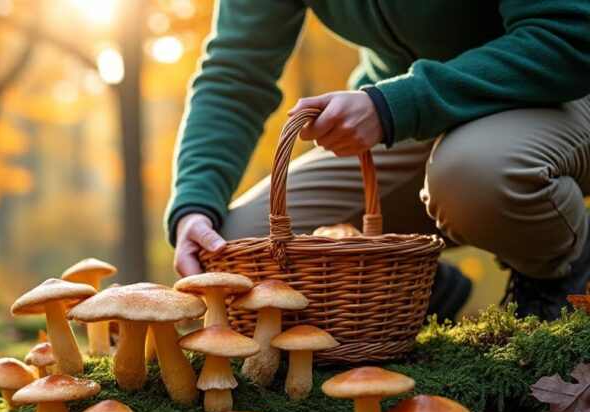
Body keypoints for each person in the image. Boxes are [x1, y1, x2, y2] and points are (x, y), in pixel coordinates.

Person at [167, 0, 590, 321]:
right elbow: (236, 75)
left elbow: (571, 33)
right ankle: (408, 290)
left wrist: (394, 105)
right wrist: (193, 205)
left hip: (553, 91)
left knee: (474, 173)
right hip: (405, 115)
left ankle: (561, 273)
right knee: (243, 253)